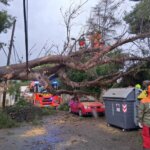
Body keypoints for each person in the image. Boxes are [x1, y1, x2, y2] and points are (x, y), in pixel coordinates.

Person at [138, 85, 150, 150]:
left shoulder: (143, 101)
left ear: (147, 91)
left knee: (146, 136)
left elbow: (140, 113)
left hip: (146, 122)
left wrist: (140, 121)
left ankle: (147, 147)